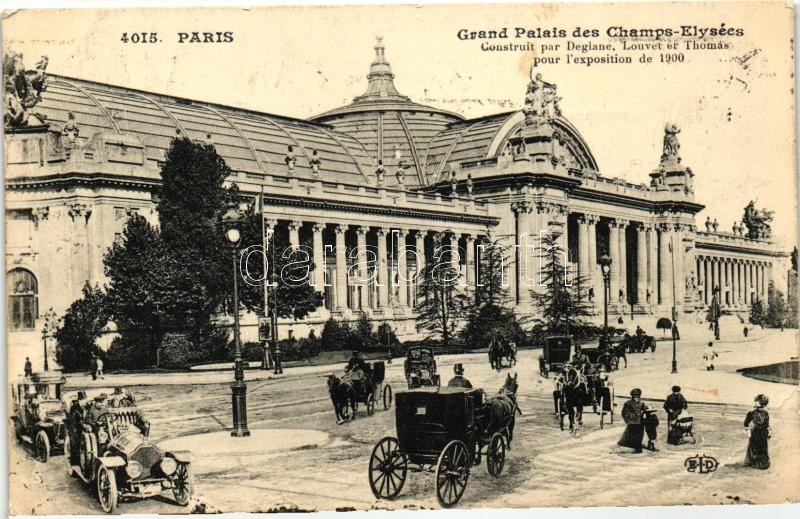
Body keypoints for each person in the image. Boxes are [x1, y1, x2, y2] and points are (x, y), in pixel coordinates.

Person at [744, 394, 771, 469]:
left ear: (762, 403)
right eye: (756, 400)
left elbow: (767, 424)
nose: (755, 402)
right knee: (753, 448)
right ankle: (753, 463)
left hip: (763, 434)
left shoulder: (766, 413)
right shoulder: (751, 413)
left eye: (757, 401)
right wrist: (748, 432)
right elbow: (746, 423)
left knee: (763, 448)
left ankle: (763, 464)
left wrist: (769, 432)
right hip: (755, 433)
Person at [618, 388, 648, 453]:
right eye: (635, 397)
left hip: (640, 422)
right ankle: (637, 448)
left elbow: (646, 409)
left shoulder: (642, 403)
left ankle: (638, 448)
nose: (637, 398)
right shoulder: (628, 403)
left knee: (640, 435)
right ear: (632, 396)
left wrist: (646, 410)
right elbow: (624, 413)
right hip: (632, 423)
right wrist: (627, 421)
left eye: (638, 397)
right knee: (632, 436)